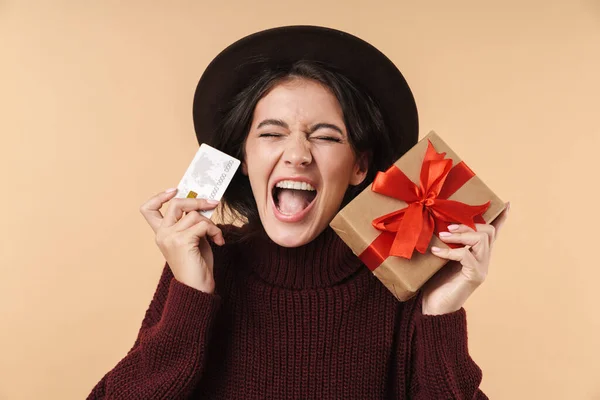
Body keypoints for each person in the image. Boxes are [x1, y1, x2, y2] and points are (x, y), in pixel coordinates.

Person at [87, 25, 509, 399]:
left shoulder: (400, 280)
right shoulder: (202, 268)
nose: (297, 155)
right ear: (245, 157)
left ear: (359, 166)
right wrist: (192, 297)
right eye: (272, 133)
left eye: (325, 137)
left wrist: (440, 314)